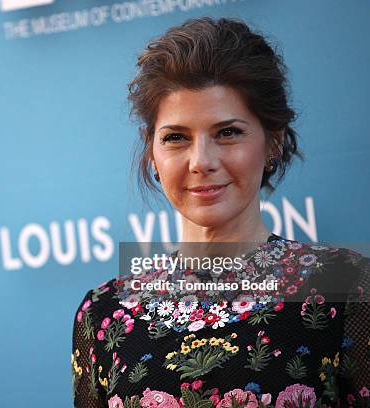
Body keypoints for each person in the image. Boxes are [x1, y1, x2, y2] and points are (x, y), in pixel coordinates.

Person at [71, 17, 369, 408]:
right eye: (176, 138)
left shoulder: (349, 290)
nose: (201, 161)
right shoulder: (104, 314)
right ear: (153, 155)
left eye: (227, 132)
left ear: (273, 141)